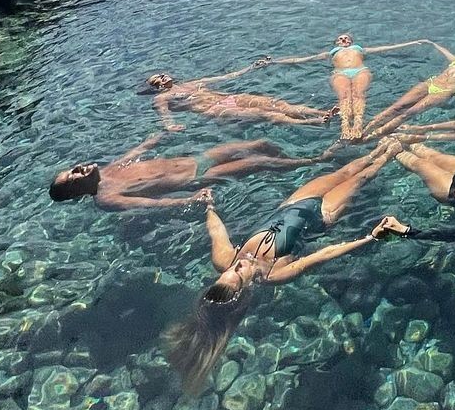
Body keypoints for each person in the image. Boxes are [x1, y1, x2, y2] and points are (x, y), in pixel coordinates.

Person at [163, 140, 409, 392]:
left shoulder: (224, 260)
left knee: (345, 171)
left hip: (293, 204)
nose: (234, 267)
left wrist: (209, 207)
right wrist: (370, 237)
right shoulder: (275, 274)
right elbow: (323, 255)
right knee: (362, 177)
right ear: (245, 289)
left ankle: (383, 144)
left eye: (225, 274)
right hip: (321, 215)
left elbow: (217, 231)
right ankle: (397, 150)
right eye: (237, 275)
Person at [48, 134, 322, 211]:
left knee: (259, 144)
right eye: (73, 175)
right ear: (75, 193)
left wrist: (153, 139)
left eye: (73, 168)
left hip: (196, 159)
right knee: (263, 162)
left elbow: (133, 154)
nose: (78, 167)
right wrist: (189, 201)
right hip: (196, 177)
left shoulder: (108, 169)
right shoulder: (107, 198)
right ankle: (313, 161)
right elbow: (149, 204)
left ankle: (297, 161)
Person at [258, 36, 434, 142]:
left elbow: (385, 48)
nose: (344, 40)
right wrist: (274, 61)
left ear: (351, 42)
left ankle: (358, 124)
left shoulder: (359, 49)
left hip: (360, 71)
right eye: (340, 39)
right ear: (336, 43)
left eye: (347, 38)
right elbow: (301, 60)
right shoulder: (331, 53)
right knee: (344, 97)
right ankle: (344, 127)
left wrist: (414, 42)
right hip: (340, 73)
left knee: (358, 94)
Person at [139, 69, 338, 132]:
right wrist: (170, 126)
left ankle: (322, 112)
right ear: (156, 86)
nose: (164, 77)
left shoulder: (192, 83)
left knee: (277, 104)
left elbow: (226, 77)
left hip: (230, 99)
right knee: (265, 114)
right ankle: (311, 122)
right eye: (159, 79)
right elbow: (165, 116)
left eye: (163, 74)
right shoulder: (162, 98)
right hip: (214, 109)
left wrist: (251, 67)